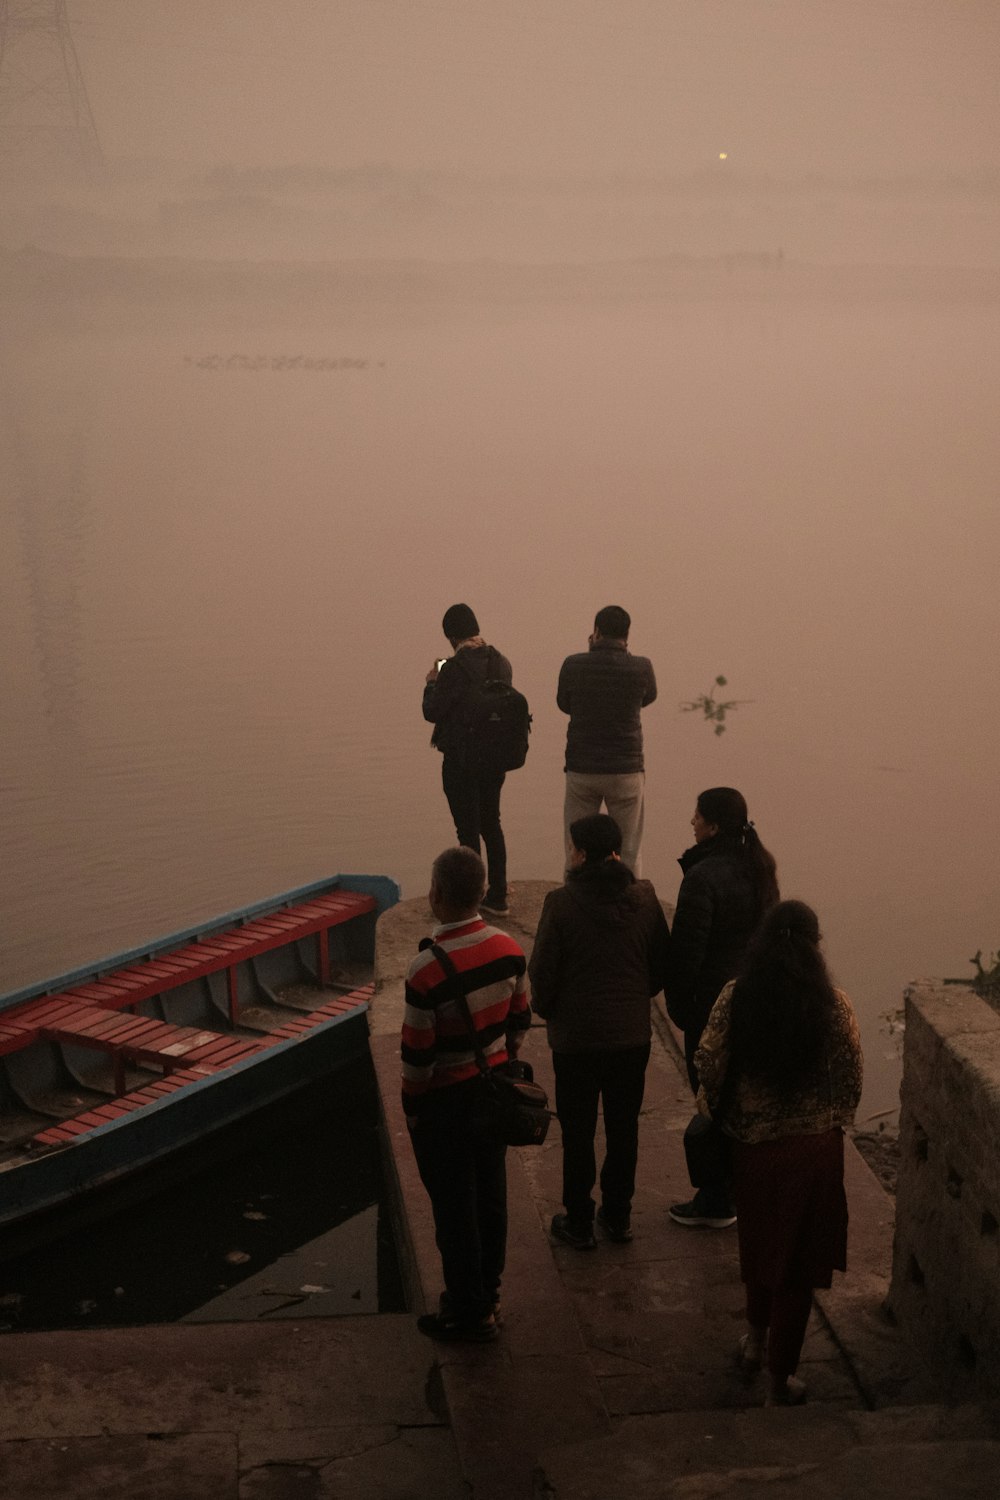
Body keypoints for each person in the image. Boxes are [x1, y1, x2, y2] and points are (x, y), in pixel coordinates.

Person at [695, 900, 863, 1406]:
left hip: (753, 1150)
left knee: (761, 1245)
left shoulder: (736, 996)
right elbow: (851, 1080)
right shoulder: (835, 1005)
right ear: (814, 945)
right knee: (796, 1267)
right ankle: (779, 1380)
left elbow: (708, 1060)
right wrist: (827, 1119)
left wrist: (723, 1112)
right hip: (812, 1154)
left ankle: (753, 1342)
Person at [401, 845, 530, 1342]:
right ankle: (489, 1294)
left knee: (454, 1210)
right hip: (492, 1091)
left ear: (435, 895)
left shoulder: (424, 970)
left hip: (445, 1104)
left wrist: (413, 1110)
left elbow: (418, 1058)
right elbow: (519, 1021)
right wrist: (498, 1056)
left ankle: (466, 1310)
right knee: (491, 1198)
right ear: (481, 892)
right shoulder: (509, 948)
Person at [529, 814, 671, 1249]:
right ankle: (618, 1216)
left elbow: (542, 973)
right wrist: (632, 1000)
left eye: (572, 847)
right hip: (631, 1039)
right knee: (624, 1126)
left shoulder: (561, 903)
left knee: (578, 1131)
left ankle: (578, 1222)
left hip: (576, 1042)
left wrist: (547, 1011)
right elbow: (661, 967)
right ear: (618, 850)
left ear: (582, 853)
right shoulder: (645, 899)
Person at [663, 787, 779, 1228]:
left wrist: (681, 1009)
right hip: (751, 998)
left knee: (709, 1099)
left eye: (696, 816)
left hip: (712, 1006)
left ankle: (715, 1201)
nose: (691, 822)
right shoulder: (761, 867)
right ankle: (740, 1187)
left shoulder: (703, 877)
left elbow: (687, 954)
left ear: (711, 825)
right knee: (740, 1096)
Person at [423, 603, 513, 917]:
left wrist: (432, 682)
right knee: (492, 825)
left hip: (461, 761)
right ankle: (499, 897)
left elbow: (432, 712)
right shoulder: (501, 662)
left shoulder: (454, 669)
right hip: (496, 759)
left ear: (451, 636)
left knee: (467, 832)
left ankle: (468, 901)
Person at [556, 605, 657, 877]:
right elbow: (648, 697)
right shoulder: (641, 667)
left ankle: (574, 902)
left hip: (582, 768)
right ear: (627, 635)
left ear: (596, 632)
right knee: (629, 849)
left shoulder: (573, 664)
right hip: (626, 769)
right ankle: (628, 904)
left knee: (575, 846)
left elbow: (564, 704)